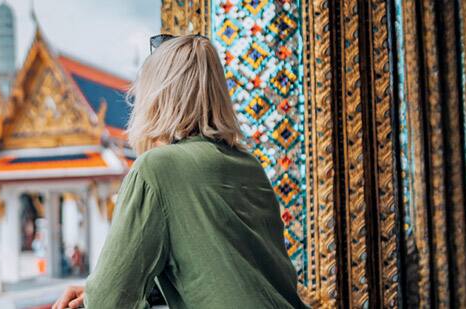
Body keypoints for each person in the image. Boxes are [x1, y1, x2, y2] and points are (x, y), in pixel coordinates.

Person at [52, 34, 306, 309]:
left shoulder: (156, 169)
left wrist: (97, 293)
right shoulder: (249, 165)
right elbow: (221, 273)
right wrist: (95, 290)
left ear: (156, 98)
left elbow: (108, 302)